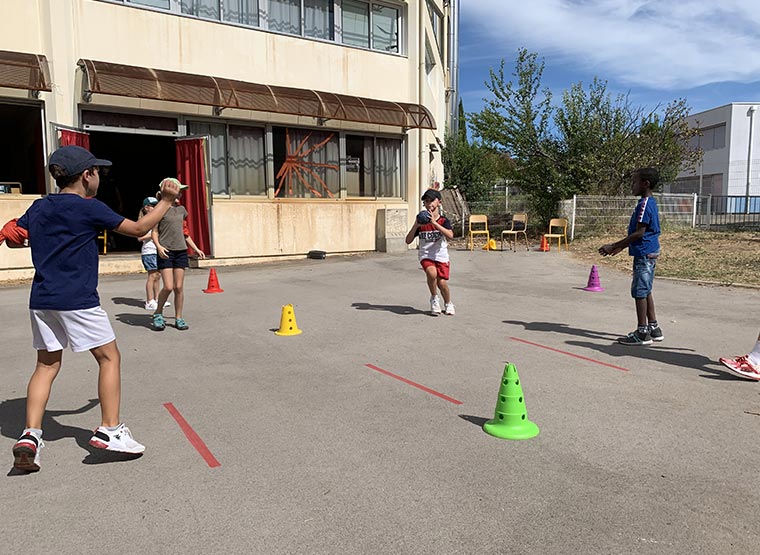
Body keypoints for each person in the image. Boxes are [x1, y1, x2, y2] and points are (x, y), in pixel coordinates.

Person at [12, 145, 181, 472]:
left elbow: (16, 235)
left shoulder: (39, 207)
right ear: (86, 176)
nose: (100, 179)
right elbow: (137, 229)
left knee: (46, 365)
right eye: (98, 173)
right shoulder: (89, 208)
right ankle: (110, 430)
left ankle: (30, 436)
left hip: (42, 300)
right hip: (77, 300)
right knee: (109, 357)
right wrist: (166, 200)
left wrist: (12, 231)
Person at [599, 167, 664, 346]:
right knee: (646, 289)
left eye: (634, 182)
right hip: (648, 251)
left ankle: (642, 333)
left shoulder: (644, 204)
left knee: (639, 292)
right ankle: (654, 327)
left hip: (644, 253)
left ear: (645, 183)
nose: (632, 185)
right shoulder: (650, 202)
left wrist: (614, 245)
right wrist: (621, 248)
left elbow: (640, 233)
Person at [151, 178, 206, 331]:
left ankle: (179, 317)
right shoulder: (159, 209)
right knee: (168, 286)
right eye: (178, 190)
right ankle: (158, 313)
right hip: (166, 251)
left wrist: (196, 248)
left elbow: (185, 233)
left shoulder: (181, 210)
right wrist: (159, 246)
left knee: (179, 287)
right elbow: (154, 231)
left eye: (181, 191)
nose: (180, 194)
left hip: (180, 251)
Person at [405, 188, 455, 316]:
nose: (429, 204)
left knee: (442, 283)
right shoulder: (421, 222)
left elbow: (450, 235)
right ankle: (434, 298)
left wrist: (434, 223)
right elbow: (408, 240)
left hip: (441, 256)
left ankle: (448, 303)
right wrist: (416, 225)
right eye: (426, 202)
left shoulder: (444, 221)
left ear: (439, 202)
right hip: (426, 255)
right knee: (431, 273)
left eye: (432, 201)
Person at [138, 196, 165, 311]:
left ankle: (157, 299)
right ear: (146, 208)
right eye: (153, 206)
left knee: (158, 276)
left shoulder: (156, 220)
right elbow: (139, 238)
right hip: (148, 251)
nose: (155, 208)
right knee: (152, 276)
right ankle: (149, 301)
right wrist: (154, 234)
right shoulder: (143, 221)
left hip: (157, 250)